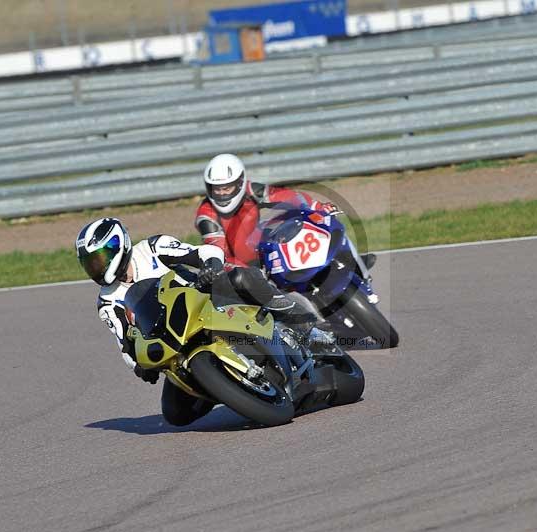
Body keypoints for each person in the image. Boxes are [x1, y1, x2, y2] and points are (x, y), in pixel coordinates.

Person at [75, 217, 319, 426]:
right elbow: (124, 342)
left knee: (242, 278)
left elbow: (199, 251)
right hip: (174, 340)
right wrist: (140, 367)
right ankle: (228, 389)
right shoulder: (107, 302)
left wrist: (210, 265)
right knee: (174, 413)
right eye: (90, 264)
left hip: (205, 298)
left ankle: (298, 322)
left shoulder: (151, 248)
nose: (96, 268)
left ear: (118, 246)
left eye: (99, 259)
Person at [195, 153, 376, 272]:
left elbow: (287, 197)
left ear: (240, 182)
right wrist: (248, 270)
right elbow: (219, 252)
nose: (221, 193)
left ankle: (352, 263)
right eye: (216, 189)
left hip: (261, 244)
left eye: (226, 188)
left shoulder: (251, 190)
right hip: (241, 267)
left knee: (308, 224)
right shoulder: (206, 215)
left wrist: (315, 207)